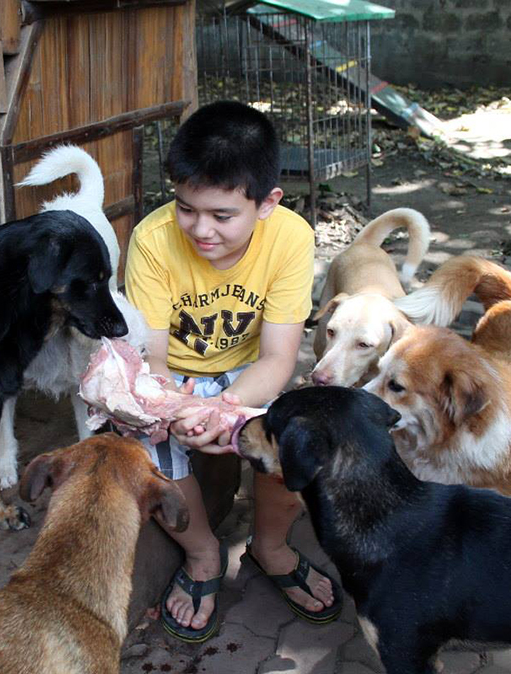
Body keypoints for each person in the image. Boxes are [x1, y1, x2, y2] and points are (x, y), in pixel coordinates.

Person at [125, 100, 342, 643]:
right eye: (186, 208)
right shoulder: (152, 240)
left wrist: (224, 409)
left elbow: (278, 358)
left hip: (247, 371)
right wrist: (176, 406)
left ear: (267, 203)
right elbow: (152, 359)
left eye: (222, 216)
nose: (201, 229)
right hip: (175, 378)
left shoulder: (291, 237)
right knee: (147, 449)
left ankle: (270, 546)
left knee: (292, 441)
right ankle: (203, 553)